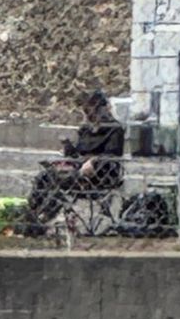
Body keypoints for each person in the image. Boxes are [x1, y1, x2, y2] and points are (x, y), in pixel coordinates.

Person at [21, 90, 124, 234]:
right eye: (86, 110)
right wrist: (68, 148)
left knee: (58, 181)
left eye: (91, 110)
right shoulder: (86, 129)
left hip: (101, 175)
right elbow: (78, 154)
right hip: (79, 170)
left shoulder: (114, 129)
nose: (88, 114)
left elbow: (112, 155)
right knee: (44, 177)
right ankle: (33, 213)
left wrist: (94, 161)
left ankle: (43, 217)